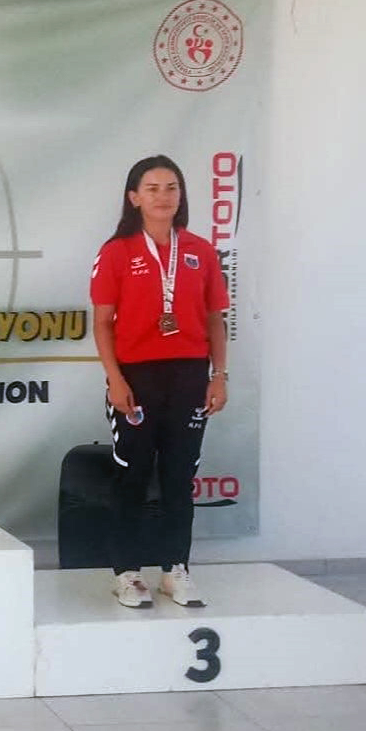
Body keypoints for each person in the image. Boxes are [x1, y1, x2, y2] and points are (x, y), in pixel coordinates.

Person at [90, 155, 229, 608]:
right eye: (152, 188)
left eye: (171, 187)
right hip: (136, 377)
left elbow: (215, 320)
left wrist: (219, 375)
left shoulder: (200, 251)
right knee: (132, 476)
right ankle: (127, 572)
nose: (163, 196)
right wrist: (115, 379)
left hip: (189, 375)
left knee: (179, 476)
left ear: (181, 195)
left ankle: (175, 569)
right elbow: (103, 323)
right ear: (134, 197)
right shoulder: (117, 251)